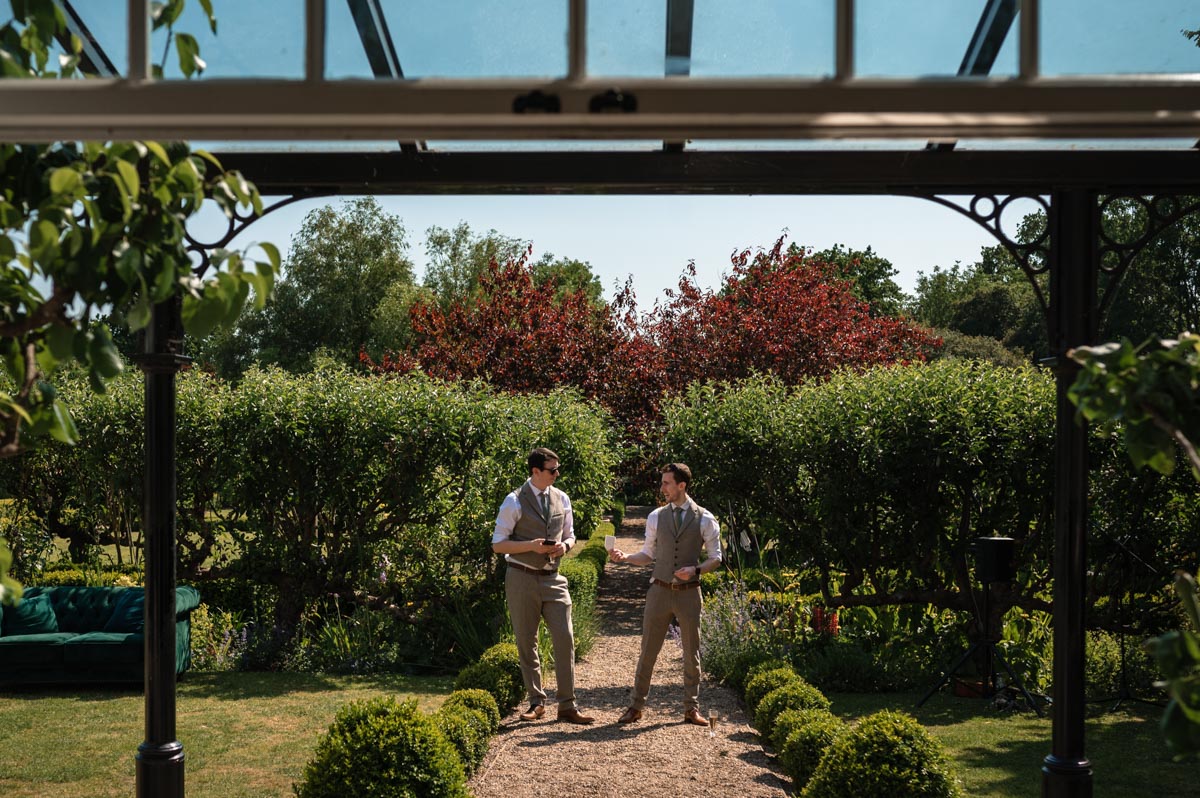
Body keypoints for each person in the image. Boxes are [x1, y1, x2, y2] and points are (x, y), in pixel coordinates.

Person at [610, 462, 722, 726]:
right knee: (647, 651)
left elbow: (716, 558)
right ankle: (635, 706)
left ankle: (691, 709)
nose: (662, 487)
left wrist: (695, 569)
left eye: (666, 483)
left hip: (689, 593)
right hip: (659, 591)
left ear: (681, 485)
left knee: (691, 653)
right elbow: (647, 554)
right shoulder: (655, 517)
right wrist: (626, 558)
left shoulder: (705, 518)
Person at [492, 447, 595, 724]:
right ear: (535, 471)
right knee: (527, 642)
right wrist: (530, 546)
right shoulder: (513, 501)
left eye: (557, 469)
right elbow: (498, 544)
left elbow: (572, 535)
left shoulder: (562, 498)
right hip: (521, 576)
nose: (557, 474)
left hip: (554, 579)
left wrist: (566, 546)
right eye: (552, 470)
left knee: (565, 638)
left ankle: (568, 705)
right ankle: (536, 702)